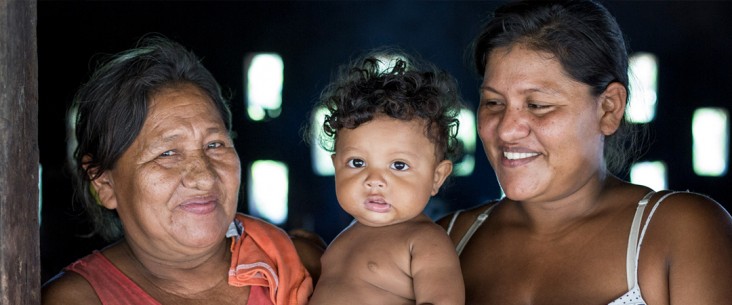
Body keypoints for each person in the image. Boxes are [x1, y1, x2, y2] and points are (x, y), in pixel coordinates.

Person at [437, 0, 732, 304]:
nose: (506, 130)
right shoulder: (448, 240)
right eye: (494, 103)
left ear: (609, 108)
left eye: (538, 105)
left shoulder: (681, 231)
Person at [41, 36, 313, 305]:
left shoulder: (298, 268)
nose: (204, 178)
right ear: (103, 183)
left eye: (214, 145)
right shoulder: (81, 299)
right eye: (167, 153)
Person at [306, 50, 465, 305]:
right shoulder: (342, 240)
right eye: (357, 163)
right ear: (336, 166)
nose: (374, 179)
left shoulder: (424, 241)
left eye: (399, 165)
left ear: (437, 177)